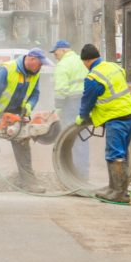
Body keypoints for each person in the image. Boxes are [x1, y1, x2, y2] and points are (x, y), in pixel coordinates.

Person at [0, 47, 52, 194]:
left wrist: (28, 106)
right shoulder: (7, 69)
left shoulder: (35, 74)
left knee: (23, 146)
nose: (41, 67)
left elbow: (35, 94)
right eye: (40, 63)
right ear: (31, 59)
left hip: (15, 115)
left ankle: (29, 183)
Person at [75, 43, 131, 203]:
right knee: (123, 153)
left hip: (115, 118)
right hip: (129, 114)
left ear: (86, 61)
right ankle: (116, 188)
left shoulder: (93, 77)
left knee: (114, 154)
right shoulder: (114, 67)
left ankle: (118, 193)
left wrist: (82, 116)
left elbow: (87, 100)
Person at [51, 40, 89, 179]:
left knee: (66, 138)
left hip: (70, 104)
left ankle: (68, 174)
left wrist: (58, 109)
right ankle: (83, 174)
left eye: (55, 52)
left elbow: (61, 90)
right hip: (85, 103)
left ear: (63, 50)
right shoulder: (82, 60)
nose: (55, 56)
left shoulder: (62, 65)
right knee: (82, 138)